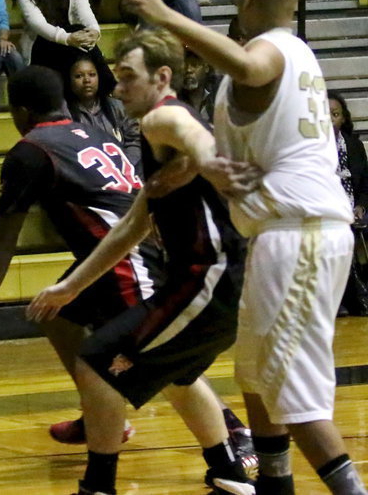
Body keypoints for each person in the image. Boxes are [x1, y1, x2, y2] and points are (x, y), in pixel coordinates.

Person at [120, 0, 367, 495]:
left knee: (295, 398)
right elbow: (225, 148)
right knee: (255, 379)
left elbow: (251, 67)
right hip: (278, 236)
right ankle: (277, 487)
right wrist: (185, 171)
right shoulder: (268, 68)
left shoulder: (274, 50)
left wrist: (166, 15)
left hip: (298, 234)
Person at [27, 29, 255, 495]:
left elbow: (191, 134)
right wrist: (70, 288)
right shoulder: (157, 142)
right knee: (178, 373)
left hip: (210, 280)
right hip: (204, 281)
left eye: (128, 76)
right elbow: (130, 228)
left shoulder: (161, 117)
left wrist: (210, 158)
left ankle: (99, 486)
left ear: (162, 77)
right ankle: (229, 472)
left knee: (96, 362)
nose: (117, 86)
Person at [0, 65, 158, 455]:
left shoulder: (32, 151)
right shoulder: (91, 131)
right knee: (51, 312)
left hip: (130, 255)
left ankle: (231, 434)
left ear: (20, 111)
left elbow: (2, 240)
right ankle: (100, 417)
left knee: (159, 359)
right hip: (127, 246)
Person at [66, 54, 141, 174]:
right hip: (86, 176)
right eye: (79, 76)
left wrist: (125, 166)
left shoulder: (118, 107)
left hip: (124, 172)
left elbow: (134, 140)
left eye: (92, 75)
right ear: (69, 80)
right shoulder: (64, 113)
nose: (87, 80)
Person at [329, 91, 368, 317]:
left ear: (343, 118)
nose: (330, 118)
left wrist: (361, 206)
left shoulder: (354, 145)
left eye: (335, 114)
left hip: (356, 208)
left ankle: (355, 295)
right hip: (328, 211)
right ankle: (345, 299)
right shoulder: (311, 148)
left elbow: (365, 184)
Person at [179, 48, 220, 124]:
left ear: (206, 68)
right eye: (184, 65)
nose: (188, 70)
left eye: (194, 65)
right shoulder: (175, 100)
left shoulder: (217, 95)